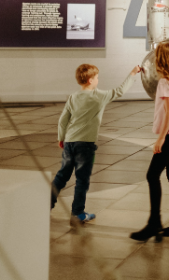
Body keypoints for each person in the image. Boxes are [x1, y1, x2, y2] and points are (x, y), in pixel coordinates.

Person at [51, 63, 141, 225]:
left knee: (62, 175)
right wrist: (133, 74)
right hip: (85, 146)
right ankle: (77, 213)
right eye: (97, 78)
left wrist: (61, 138)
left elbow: (63, 120)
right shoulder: (99, 96)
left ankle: (46, 204)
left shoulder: (73, 97)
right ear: (91, 80)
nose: (98, 80)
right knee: (82, 179)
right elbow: (119, 91)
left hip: (70, 142)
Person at [130, 42, 169, 242]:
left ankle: (154, 223)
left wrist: (160, 138)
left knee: (152, 175)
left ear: (162, 59)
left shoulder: (166, 81)